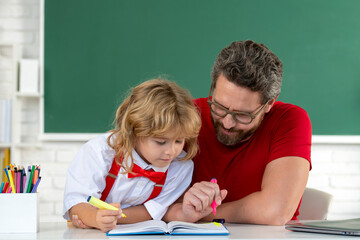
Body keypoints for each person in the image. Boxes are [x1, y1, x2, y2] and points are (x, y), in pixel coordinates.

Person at [163, 40, 312, 225]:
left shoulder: (289, 120)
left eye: (243, 115)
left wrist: (193, 214)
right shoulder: (184, 115)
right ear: (213, 88)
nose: (227, 122)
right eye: (219, 106)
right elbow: (144, 200)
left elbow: (274, 211)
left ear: (269, 104)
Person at [62, 78, 201, 232]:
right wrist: (94, 218)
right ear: (134, 132)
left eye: (179, 141)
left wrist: (112, 218)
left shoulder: (181, 167)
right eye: (161, 142)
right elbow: (76, 203)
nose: (171, 151)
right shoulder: (100, 152)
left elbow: (151, 211)